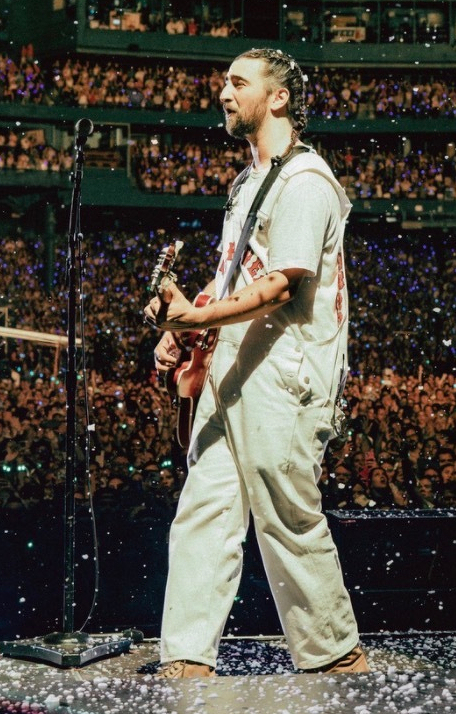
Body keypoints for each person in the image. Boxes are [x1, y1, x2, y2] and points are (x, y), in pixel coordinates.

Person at [147, 48, 368, 675]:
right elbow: (233, 278)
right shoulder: (248, 183)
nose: (223, 91)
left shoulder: (306, 182)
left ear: (278, 98)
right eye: (222, 81)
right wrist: (186, 329)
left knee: (286, 512)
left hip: (286, 371)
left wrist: (197, 319)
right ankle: (186, 656)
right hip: (233, 367)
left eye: (238, 82)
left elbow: (280, 287)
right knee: (205, 507)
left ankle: (333, 655)